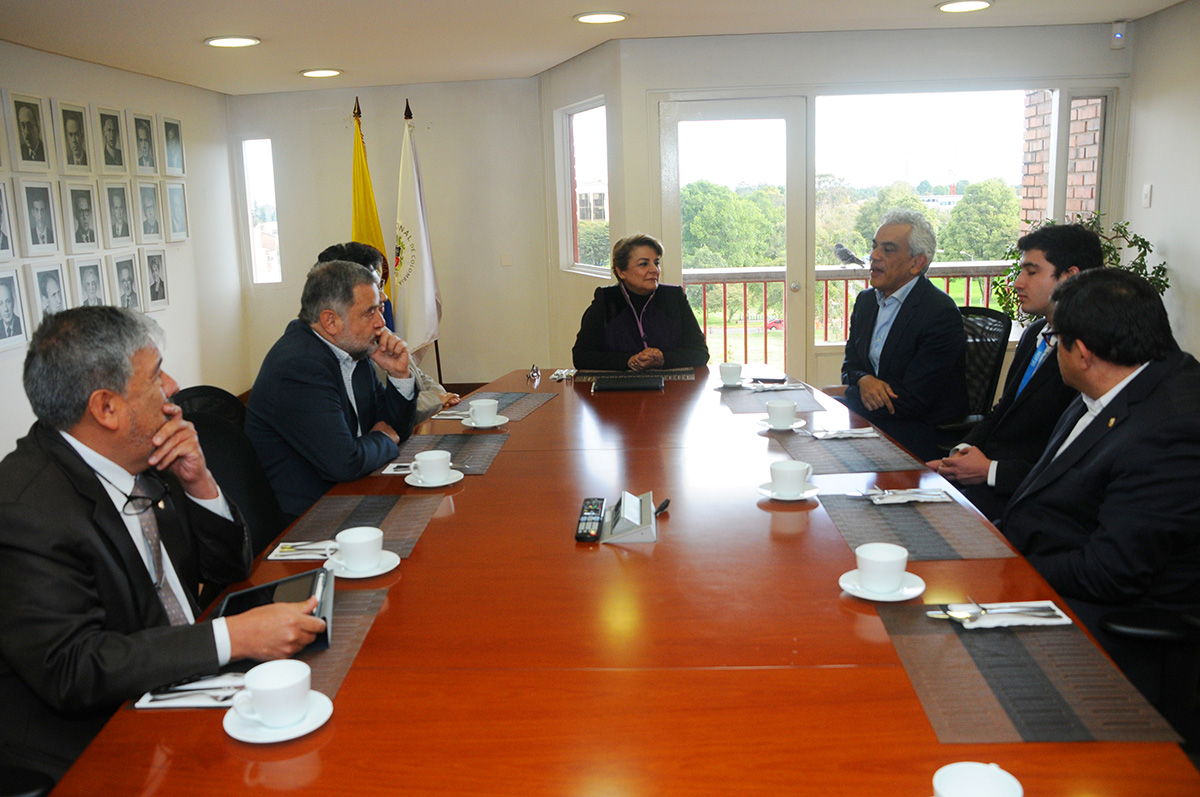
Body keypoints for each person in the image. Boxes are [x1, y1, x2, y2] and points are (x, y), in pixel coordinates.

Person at [0, 307, 326, 780]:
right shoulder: (23, 508)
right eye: (154, 376)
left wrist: (200, 484)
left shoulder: (147, 457)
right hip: (97, 741)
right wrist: (234, 637)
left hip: (185, 683)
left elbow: (229, 569)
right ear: (106, 408)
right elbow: (74, 669)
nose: (172, 386)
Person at [1001, 268, 1200, 705]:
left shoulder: (1171, 430)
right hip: (1047, 565)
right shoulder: (1115, 385)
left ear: (1083, 353)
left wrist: (1009, 572)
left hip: (1109, 620)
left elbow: (1111, 572)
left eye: (1055, 341)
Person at [928, 224, 1103, 520]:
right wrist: (960, 453)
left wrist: (990, 471)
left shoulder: (1090, 353)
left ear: (1071, 277)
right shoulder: (1035, 332)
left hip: (1033, 502)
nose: (1017, 283)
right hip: (988, 484)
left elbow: (1071, 457)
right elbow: (1003, 411)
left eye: (1031, 272)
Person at [246, 259, 420, 518]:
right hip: (312, 518)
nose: (381, 322)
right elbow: (345, 463)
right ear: (330, 321)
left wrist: (398, 374)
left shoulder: (352, 348)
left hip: (355, 493)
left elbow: (396, 428)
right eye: (369, 312)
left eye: (380, 309)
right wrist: (384, 439)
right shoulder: (299, 366)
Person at [835, 208, 966, 460]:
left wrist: (846, 392)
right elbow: (849, 366)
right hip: (873, 419)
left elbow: (910, 402)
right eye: (874, 247)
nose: (874, 256)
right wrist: (863, 380)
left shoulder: (939, 313)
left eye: (888, 249)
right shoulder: (866, 302)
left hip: (917, 432)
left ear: (917, 263)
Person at [315, 241, 461, 423]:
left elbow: (417, 375)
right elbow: (380, 408)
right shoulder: (343, 347)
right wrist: (436, 400)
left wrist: (440, 394)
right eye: (375, 287)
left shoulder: (377, 328)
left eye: (381, 285)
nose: (384, 296)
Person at [572, 233, 709, 371]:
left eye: (656, 263)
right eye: (643, 264)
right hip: (620, 389)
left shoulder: (674, 297)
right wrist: (628, 361)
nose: (654, 270)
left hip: (669, 388)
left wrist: (663, 358)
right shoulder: (606, 300)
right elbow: (581, 356)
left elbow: (700, 353)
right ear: (621, 272)